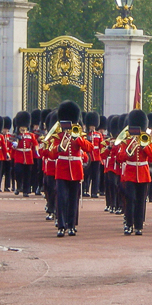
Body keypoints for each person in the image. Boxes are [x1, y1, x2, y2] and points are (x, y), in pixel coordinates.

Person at [48, 101, 93, 237]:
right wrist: (60, 147)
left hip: (76, 171)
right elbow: (51, 153)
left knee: (74, 199)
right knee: (61, 198)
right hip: (61, 170)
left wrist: (77, 139)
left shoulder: (79, 136)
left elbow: (89, 148)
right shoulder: (58, 136)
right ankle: (61, 226)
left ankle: (71, 225)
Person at [117, 109, 152, 235]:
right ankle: (128, 224)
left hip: (143, 174)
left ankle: (138, 225)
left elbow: (151, 157)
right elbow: (120, 158)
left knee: (140, 200)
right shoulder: (126, 142)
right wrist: (130, 150)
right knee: (130, 199)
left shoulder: (145, 140)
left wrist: (145, 146)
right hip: (130, 173)